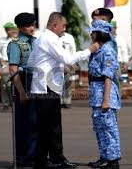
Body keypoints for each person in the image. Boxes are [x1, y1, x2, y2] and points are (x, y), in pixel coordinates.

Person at [27, 12, 99, 169]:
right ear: (54, 25)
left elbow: (32, 61)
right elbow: (68, 58)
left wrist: (58, 68)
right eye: (63, 25)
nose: (64, 29)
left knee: (49, 127)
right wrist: (90, 50)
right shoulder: (49, 39)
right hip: (47, 88)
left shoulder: (42, 38)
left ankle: (50, 159)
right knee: (50, 127)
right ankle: (49, 160)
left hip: (46, 87)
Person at [87, 20, 121, 169]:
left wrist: (106, 100)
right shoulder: (97, 49)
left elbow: (108, 76)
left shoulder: (107, 50)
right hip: (96, 92)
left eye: (93, 31)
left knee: (108, 127)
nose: (91, 34)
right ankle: (104, 156)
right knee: (99, 127)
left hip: (104, 92)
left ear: (100, 33)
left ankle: (113, 161)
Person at [7, 12, 37, 167]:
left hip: (37, 83)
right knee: (23, 123)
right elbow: (13, 69)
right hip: (23, 83)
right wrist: (21, 93)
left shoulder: (37, 41)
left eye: (33, 25)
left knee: (35, 122)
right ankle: (22, 157)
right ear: (19, 27)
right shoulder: (15, 44)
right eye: (28, 26)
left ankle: (33, 155)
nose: (32, 28)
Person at [0, 22, 18, 110]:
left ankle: (14, 102)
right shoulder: (2, 40)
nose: (9, 31)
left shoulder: (18, 39)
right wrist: (0, 58)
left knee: (14, 83)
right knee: (5, 84)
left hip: (15, 63)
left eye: (10, 29)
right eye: (7, 30)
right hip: (5, 63)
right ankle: (5, 103)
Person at [59, 32, 77, 109]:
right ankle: (59, 101)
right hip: (57, 63)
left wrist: (73, 63)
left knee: (67, 83)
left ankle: (67, 101)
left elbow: (73, 50)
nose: (63, 29)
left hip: (67, 63)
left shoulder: (69, 37)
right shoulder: (53, 37)